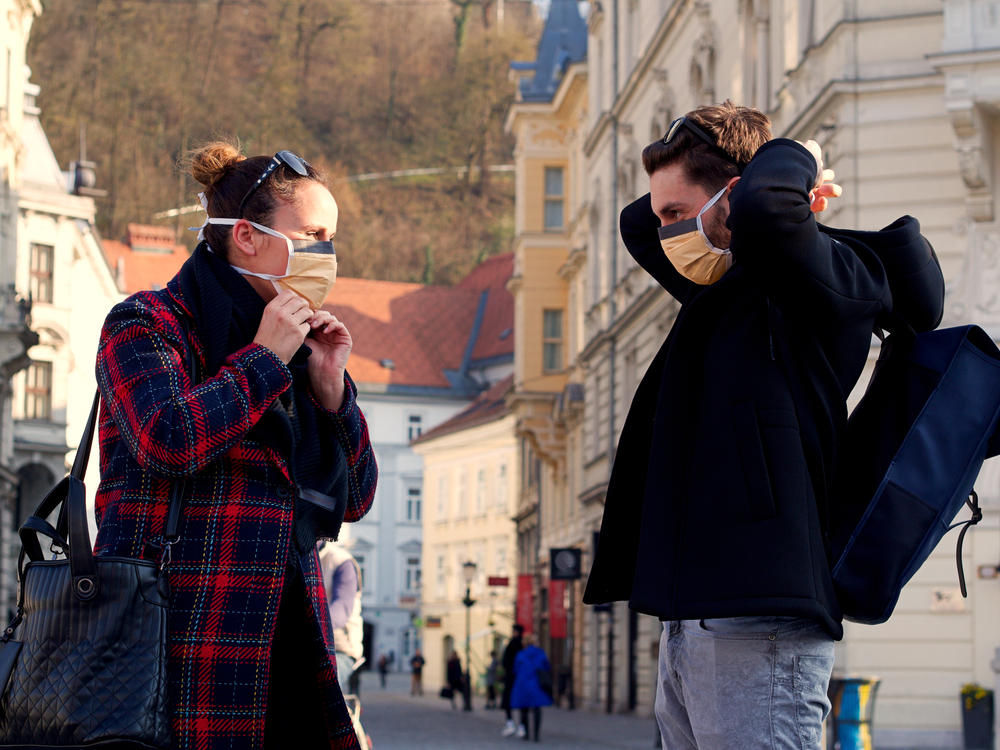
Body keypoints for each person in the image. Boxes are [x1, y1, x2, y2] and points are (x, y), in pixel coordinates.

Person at [582, 101, 945, 749]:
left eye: (676, 214)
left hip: (762, 614)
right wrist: (695, 171)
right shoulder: (721, 291)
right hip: (697, 613)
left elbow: (770, 217)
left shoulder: (830, 280)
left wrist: (792, 157)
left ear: (737, 196)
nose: (667, 234)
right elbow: (635, 225)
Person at [93, 141, 378, 750]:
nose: (326, 256)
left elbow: (353, 501)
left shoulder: (299, 343)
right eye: (313, 235)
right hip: (177, 642)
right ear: (247, 238)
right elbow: (167, 440)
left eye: (332, 239)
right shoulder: (147, 323)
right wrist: (263, 360)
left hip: (289, 641)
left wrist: (332, 392)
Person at [320, 541, 364, 698]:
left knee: (322, 684)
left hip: (340, 647)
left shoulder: (341, 561)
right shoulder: (289, 555)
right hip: (298, 645)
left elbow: (342, 608)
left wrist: (310, 628)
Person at [510, 634, 552, 742]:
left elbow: (515, 669)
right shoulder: (540, 653)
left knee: (524, 709)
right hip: (536, 684)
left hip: (522, 684)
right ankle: (536, 735)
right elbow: (547, 667)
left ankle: (526, 733)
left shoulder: (520, 654)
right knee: (537, 709)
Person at [500, 624, 524, 736]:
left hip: (512, 678)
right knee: (522, 702)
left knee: (508, 701)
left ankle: (511, 724)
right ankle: (522, 725)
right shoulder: (523, 645)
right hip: (521, 678)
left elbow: (505, 661)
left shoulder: (512, 644)